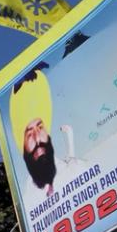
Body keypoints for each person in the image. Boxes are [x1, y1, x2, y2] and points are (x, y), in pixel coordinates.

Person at [7, 66, 86, 209]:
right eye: (29, 134)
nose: (38, 139)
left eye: (40, 127)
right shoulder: (28, 203)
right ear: (22, 144)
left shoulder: (75, 169)